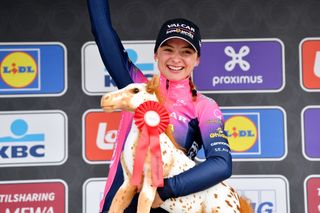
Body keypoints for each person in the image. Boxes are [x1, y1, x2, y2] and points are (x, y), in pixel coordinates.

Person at [87, 0, 232, 212]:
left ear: (197, 59)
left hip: (167, 205)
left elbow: (221, 164)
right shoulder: (136, 87)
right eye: (168, 49)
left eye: (186, 52)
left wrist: (165, 190)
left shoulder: (204, 106)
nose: (176, 59)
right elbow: (101, 28)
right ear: (156, 54)